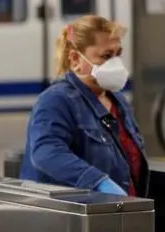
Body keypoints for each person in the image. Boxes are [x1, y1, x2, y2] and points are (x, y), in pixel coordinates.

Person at [19, 15, 149, 197]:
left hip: (121, 213)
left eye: (118, 54)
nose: (115, 63)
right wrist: (97, 182)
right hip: (77, 218)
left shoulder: (118, 101)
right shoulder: (56, 100)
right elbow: (46, 153)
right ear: (75, 60)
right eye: (106, 56)